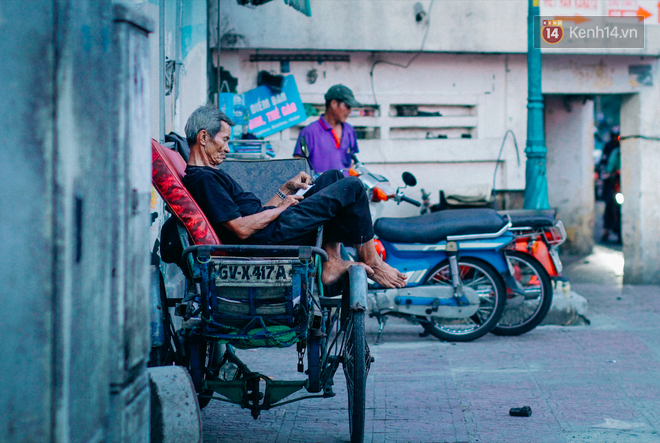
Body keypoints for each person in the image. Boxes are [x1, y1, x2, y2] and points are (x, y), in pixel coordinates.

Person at [182, 106, 406, 289]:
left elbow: (255, 212)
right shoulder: (203, 179)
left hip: (266, 230)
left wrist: (286, 190)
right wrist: (281, 210)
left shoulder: (209, 175)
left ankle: (332, 262)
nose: (228, 149)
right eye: (225, 140)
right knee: (353, 186)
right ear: (203, 137)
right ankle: (372, 261)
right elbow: (241, 229)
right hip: (263, 239)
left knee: (332, 176)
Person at [293, 84, 361, 175]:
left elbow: (352, 162)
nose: (349, 111)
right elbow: (298, 165)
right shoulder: (309, 132)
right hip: (321, 188)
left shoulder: (349, 130)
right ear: (333, 104)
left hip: (345, 187)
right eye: (347, 106)